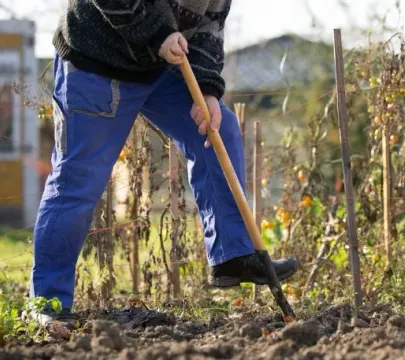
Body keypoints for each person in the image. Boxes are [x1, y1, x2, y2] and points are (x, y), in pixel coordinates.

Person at [28, 0, 298, 329]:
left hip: (156, 66)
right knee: (78, 181)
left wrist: (208, 89)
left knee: (218, 128)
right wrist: (158, 34)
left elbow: (209, 28)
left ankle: (233, 255)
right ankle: (49, 303)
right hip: (97, 63)